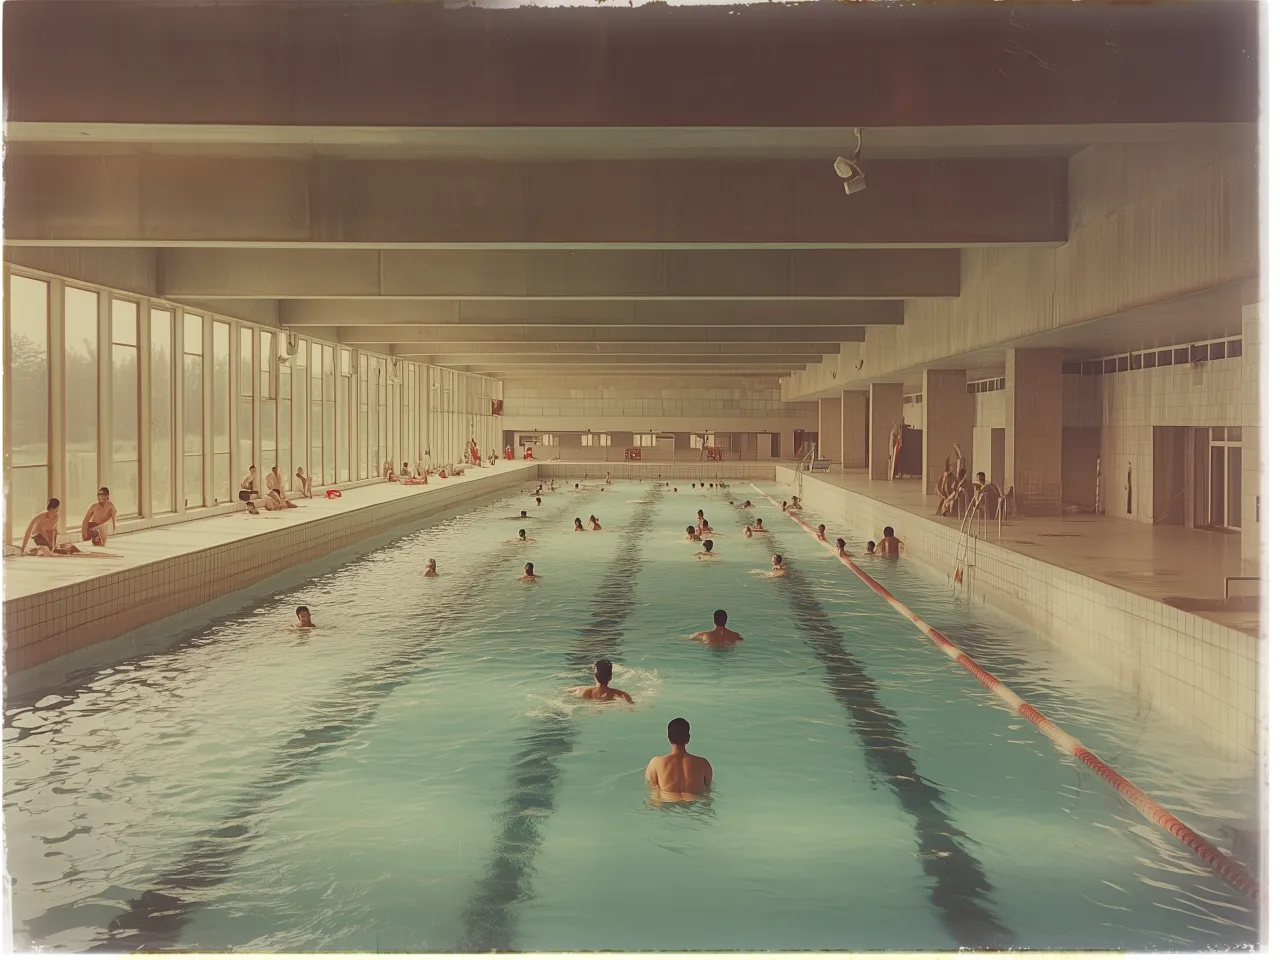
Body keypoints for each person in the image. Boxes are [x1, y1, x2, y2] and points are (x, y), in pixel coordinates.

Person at [645, 718, 712, 800]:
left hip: (667, 803)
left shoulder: (656, 763)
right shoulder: (703, 764)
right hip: (696, 802)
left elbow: (653, 790)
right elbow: (708, 789)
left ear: (668, 738)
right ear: (688, 738)